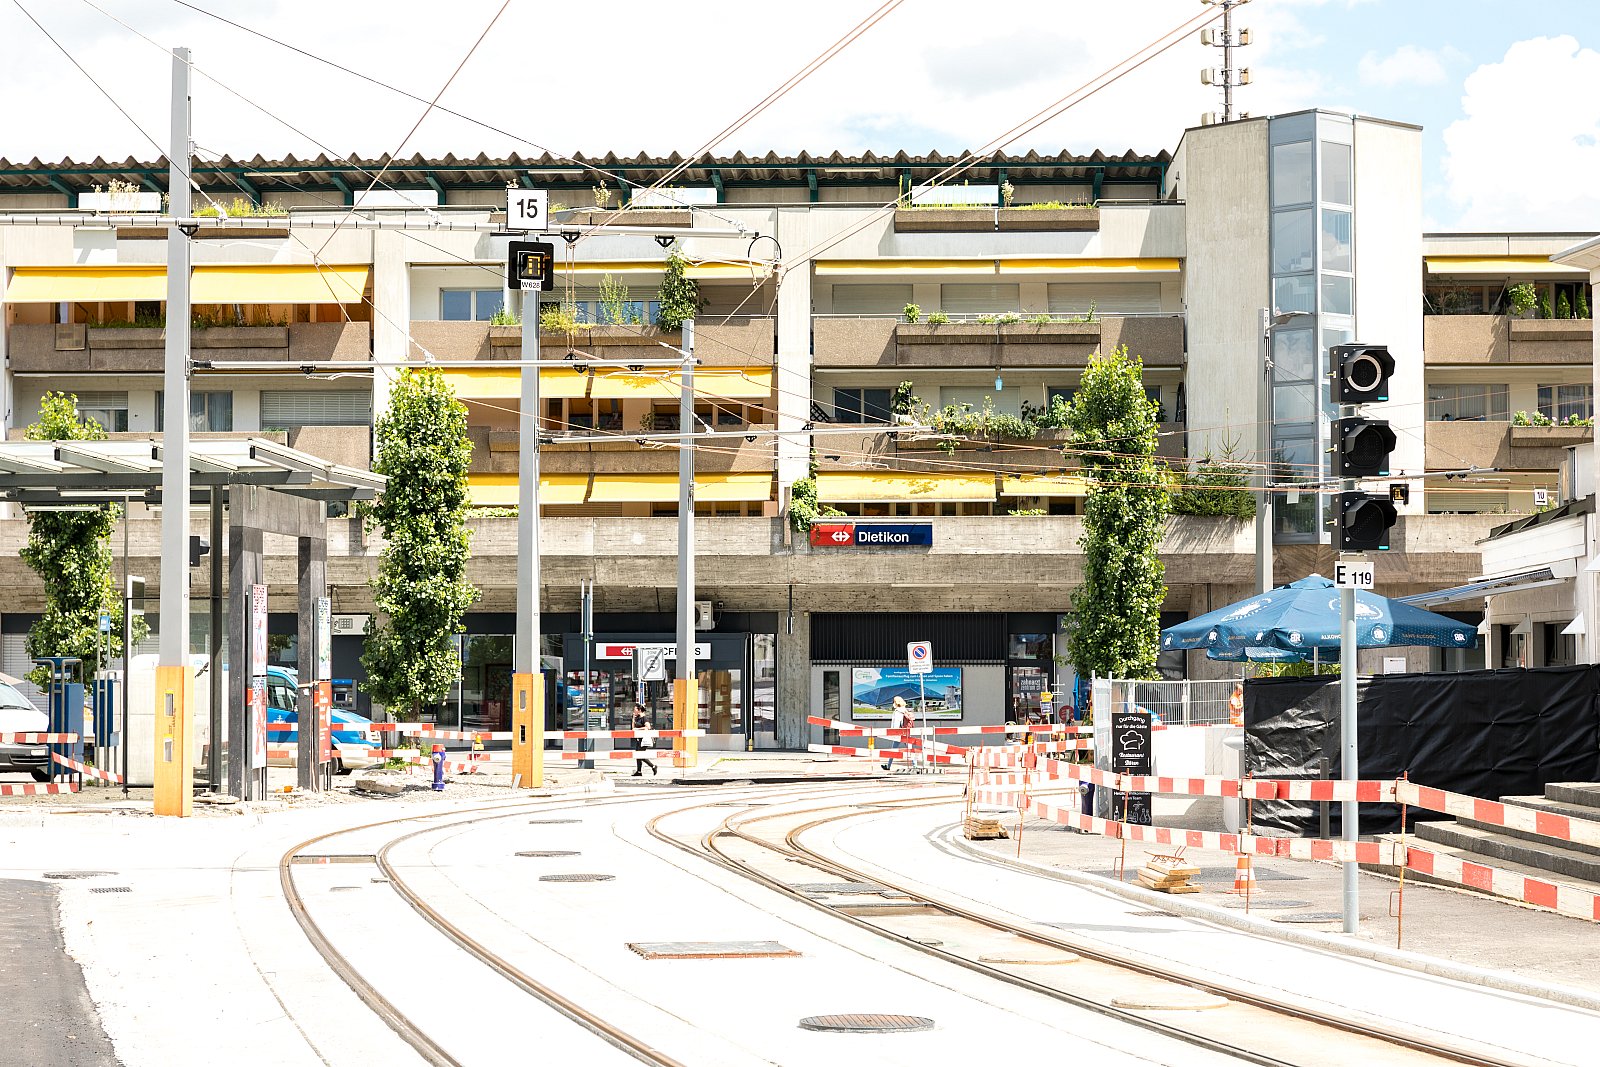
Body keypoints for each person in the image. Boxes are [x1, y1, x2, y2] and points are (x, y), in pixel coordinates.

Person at [882, 695, 913, 771]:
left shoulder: (897, 712)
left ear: (896, 703)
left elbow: (897, 723)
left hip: (899, 733)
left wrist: (893, 732)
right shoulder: (904, 710)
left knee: (894, 750)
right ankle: (914, 765)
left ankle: (888, 766)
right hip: (906, 732)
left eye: (893, 702)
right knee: (909, 749)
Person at [631, 703, 658, 777]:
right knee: (638, 754)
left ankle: (653, 766)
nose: (634, 711)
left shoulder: (644, 718)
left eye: (635, 709)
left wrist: (637, 729)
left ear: (639, 710)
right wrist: (633, 719)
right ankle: (639, 771)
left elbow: (648, 727)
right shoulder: (637, 718)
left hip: (644, 739)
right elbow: (633, 728)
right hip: (639, 739)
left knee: (641, 755)